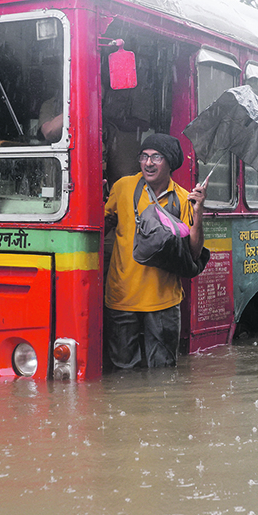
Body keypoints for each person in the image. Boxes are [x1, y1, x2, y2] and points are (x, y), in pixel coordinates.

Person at [103, 133, 206, 369]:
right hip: (122, 298)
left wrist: (198, 213)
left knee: (163, 375)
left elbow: (193, 252)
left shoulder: (183, 198)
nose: (148, 163)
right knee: (122, 373)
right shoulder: (123, 187)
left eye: (156, 157)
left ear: (169, 162)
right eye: (144, 156)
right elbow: (102, 226)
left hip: (164, 303)